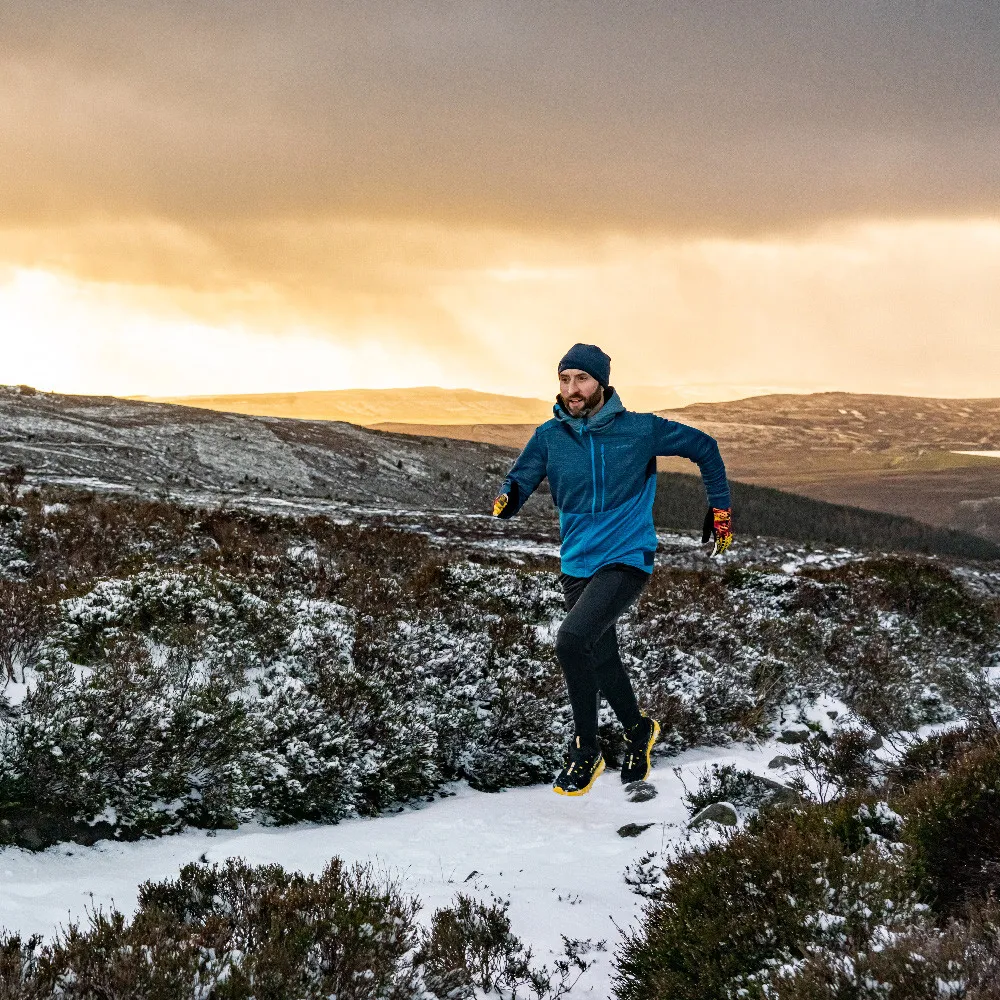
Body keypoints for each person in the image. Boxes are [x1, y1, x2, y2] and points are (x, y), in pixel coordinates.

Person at [491, 344, 733, 796]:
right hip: (577, 561)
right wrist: (511, 497)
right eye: (564, 380)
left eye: (580, 379)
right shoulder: (549, 436)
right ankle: (639, 731)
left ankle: (587, 750)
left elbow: (705, 447)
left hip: (626, 557)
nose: (571, 389)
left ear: (600, 381)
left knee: (571, 640)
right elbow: (523, 474)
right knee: (601, 657)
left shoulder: (639, 430)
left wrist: (720, 507)